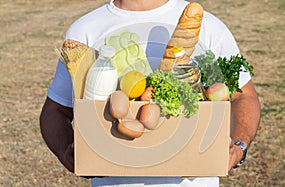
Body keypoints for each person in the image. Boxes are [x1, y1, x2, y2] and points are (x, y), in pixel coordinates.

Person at [40, 0, 261, 186]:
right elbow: (55, 109)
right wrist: (66, 152)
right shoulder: (85, 30)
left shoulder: (210, 28)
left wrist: (239, 147)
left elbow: (244, 96)